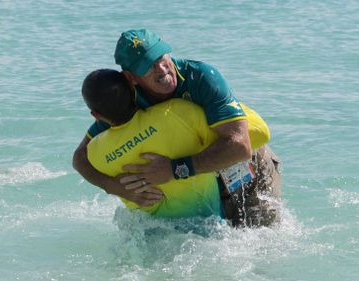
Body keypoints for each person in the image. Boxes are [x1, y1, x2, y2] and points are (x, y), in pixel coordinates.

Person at [73, 29, 281, 226]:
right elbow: (80, 157)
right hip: (206, 176)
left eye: (161, 57)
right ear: (130, 78)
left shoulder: (201, 77)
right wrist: (115, 187)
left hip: (248, 165)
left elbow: (240, 146)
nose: (162, 69)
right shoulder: (127, 101)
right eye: (148, 65)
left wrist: (175, 170)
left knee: (262, 245)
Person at [81, 69, 269, 218]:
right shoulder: (178, 113)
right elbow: (256, 134)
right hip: (214, 227)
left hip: (157, 240)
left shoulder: (95, 154)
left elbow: (79, 160)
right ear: (132, 87)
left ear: (96, 115)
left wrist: (112, 186)